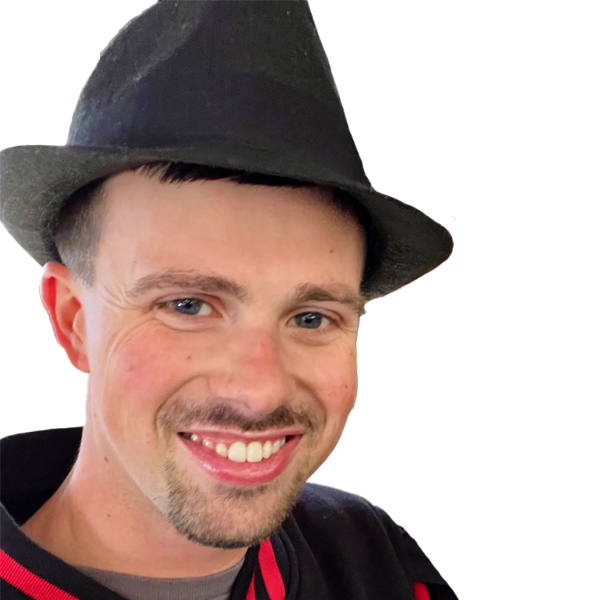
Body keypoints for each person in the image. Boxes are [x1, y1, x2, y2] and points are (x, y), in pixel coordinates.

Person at [0, 2, 458, 599]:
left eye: (311, 318)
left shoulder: (374, 563)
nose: (259, 391)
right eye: (188, 306)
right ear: (73, 320)